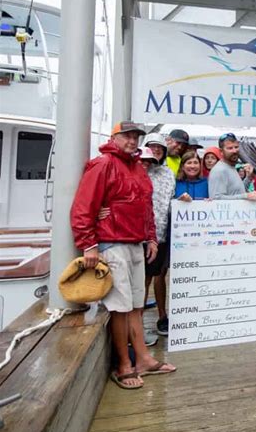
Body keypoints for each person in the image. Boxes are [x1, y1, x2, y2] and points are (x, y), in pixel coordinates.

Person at [70, 121, 176, 390]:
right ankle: (123, 365)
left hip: (136, 244)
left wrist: (150, 236)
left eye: (135, 137)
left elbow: (146, 205)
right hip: (112, 244)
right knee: (120, 307)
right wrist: (89, 244)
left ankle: (142, 359)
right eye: (126, 136)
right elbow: (83, 208)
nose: (131, 141)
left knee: (137, 305)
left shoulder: (137, 167)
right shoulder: (103, 164)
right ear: (114, 137)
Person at [143, 133, 176, 339]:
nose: (156, 150)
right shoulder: (139, 169)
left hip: (162, 234)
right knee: (143, 280)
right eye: (152, 146)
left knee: (160, 276)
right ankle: (137, 325)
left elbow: (169, 201)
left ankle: (162, 316)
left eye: (159, 148)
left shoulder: (168, 173)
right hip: (143, 236)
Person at [208, 133, 256, 200]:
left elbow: (238, 192)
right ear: (221, 151)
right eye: (230, 148)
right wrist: (246, 196)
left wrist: (249, 177)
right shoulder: (219, 170)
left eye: (236, 147)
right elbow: (216, 199)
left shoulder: (231, 167)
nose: (234, 151)